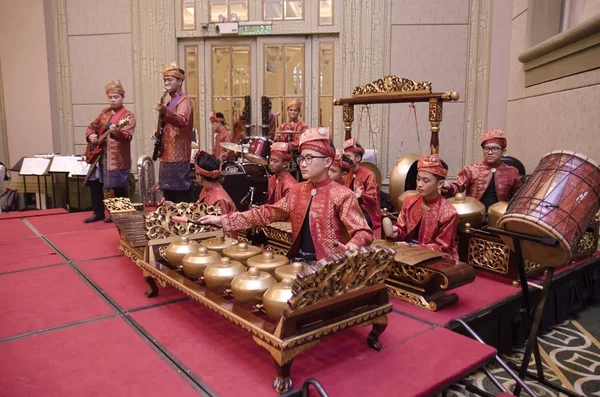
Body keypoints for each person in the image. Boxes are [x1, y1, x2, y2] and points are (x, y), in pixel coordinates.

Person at [199, 127, 373, 262]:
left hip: (329, 266)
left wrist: (353, 244)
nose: (303, 164)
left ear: (328, 161)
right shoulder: (298, 191)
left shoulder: (343, 195)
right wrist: (224, 219)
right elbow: (266, 213)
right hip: (298, 261)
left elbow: (364, 232)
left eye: (309, 158)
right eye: (302, 158)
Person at [386, 154, 459, 260]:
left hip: (435, 259)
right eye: (418, 179)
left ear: (440, 184)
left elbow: (442, 249)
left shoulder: (448, 213)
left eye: (425, 181)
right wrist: (395, 232)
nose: (419, 184)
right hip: (407, 251)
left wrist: (412, 247)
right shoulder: (409, 201)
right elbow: (403, 230)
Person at [84, 80, 136, 223]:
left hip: (117, 156)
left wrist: (117, 132)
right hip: (99, 154)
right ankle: (98, 212)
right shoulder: (104, 112)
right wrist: (90, 135)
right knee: (95, 182)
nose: (113, 100)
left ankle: (118, 214)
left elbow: (128, 136)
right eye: (110, 97)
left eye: (116, 97)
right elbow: (92, 126)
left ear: (122, 97)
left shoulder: (128, 115)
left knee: (116, 185)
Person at [443, 128, 522, 211]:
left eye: (495, 149)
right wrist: (449, 186)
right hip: (474, 214)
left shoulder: (512, 172)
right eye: (486, 148)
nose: (490, 152)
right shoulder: (471, 170)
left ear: (503, 151)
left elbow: (519, 197)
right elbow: (457, 186)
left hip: (499, 215)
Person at [153, 62, 194, 203]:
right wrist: (158, 131)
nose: (166, 83)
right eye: (165, 80)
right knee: (167, 192)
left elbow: (182, 121)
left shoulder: (184, 101)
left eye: (170, 80)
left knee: (179, 194)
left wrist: (165, 111)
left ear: (180, 81)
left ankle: (181, 221)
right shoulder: (170, 101)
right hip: (166, 154)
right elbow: (168, 123)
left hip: (178, 155)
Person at [342, 138, 381, 230]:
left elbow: (373, 199)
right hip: (351, 209)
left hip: (368, 212)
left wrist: (361, 196)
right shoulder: (347, 174)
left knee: (354, 221)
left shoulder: (369, 175)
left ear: (358, 158)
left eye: (348, 156)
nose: (346, 159)